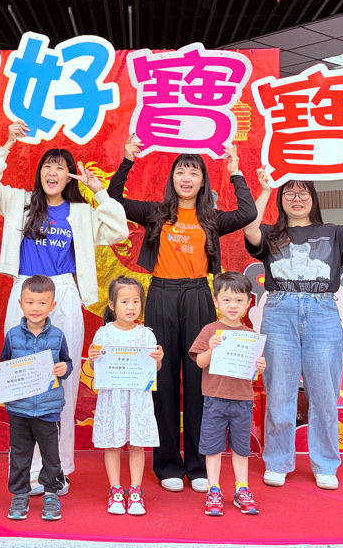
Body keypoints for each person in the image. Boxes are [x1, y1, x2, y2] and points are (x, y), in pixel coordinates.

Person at [0, 120, 128, 494]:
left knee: (63, 378)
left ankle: (57, 468)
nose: (53, 172)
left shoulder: (81, 213)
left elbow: (119, 230)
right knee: (21, 376)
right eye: (47, 166)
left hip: (63, 293)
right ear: (40, 173)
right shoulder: (20, 202)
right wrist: (7, 144)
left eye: (60, 167)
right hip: (25, 290)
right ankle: (26, 467)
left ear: (69, 175)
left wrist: (98, 192)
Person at [107, 135, 257, 493]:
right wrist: (126, 161)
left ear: (203, 181)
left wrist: (236, 172)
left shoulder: (211, 218)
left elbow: (248, 213)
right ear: (172, 178)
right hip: (160, 295)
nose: (186, 178)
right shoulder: (156, 213)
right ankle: (168, 465)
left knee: (197, 380)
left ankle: (198, 464)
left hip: (198, 296)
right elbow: (114, 201)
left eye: (193, 173)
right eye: (180, 172)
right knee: (163, 379)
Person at [243, 170, 343, 491]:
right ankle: (278, 462)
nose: (297, 199)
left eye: (303, 192)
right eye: (289, 193)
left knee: (324, 395)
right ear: (281, 200)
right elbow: (249, 229)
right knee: (280, 393)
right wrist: (265, 190)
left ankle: (326, 464)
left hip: (322, 312)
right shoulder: (271, 234)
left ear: (313, 198)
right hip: (280, 311)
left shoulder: (333, 232)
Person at [0, 275, 73, 522]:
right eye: (30, 302)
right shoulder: (13, 335)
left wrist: (64, 368)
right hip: (19, 410)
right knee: (19, 455)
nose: (36, 308)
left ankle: (51, 493)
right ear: (20, 304)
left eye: (42, 303)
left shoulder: (58, 336)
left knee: (51, 456)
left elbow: (67, 363)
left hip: (48, 409)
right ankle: (20, 494)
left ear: (52, 305)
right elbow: (3, 367)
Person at [189, 271, 267, 517]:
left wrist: (260, 366)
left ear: (248, 303)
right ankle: (213, 490)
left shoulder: (251, 336)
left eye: (239, 300)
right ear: (216, 301)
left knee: (241, 448)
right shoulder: (210, 330)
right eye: (226, 300)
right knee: (212, 447)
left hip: (242, 400)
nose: (233, 306)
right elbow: (200, 362)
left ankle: (242, 490)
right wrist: (211, 349)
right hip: (214, 399)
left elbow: (253, 372)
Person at [88, 277, 163, 516]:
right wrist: (93, 358)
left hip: (138, 399)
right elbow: (95, 367)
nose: (131, 307)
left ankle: (136, 490)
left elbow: (153, 370)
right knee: (112, 445)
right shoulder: (103, 334)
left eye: (136, 301)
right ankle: (116, 491)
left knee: (137, 444)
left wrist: (158, 360)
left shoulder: (147, 335)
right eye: (124, 302)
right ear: (112, 305)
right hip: (112, 399)